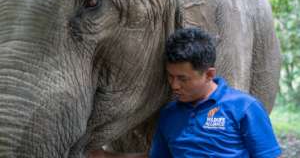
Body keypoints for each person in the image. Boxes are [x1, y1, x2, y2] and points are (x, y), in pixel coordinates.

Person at [89, 27, 281, 158]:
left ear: (209, 74)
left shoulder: (244, 107)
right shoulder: (169, 114)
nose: (174, 86)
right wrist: (108, 156)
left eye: (183, 78)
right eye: (170, 77)